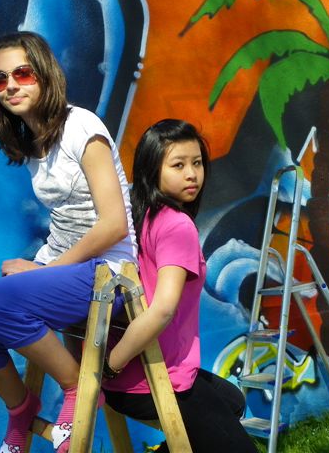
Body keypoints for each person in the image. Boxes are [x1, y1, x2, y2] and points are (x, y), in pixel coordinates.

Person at [0, 31, 137, 453]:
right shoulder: (33, 139)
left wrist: (44, 270)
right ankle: (21, 409)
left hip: (111, 272)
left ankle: (78, 386)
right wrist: (42, 266)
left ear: (44, 74)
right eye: (0, 79)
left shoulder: (82, 127)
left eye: (22, 73)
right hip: (67, 267)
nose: (10, 86)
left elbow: (114, 225)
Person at [102, 119, 258, 452]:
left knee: (232, 401)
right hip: (155, 379)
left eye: (197, 163)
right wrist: (111, 365)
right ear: (151, 170)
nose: (192, 174)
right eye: (178, 165)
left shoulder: (138, 216)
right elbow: (162, 310)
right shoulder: (177, 225)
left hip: (129, 378)